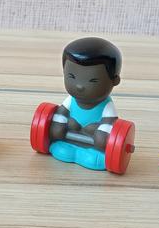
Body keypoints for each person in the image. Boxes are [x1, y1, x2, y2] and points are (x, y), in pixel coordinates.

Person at [48, 37, 122, 170]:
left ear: (114, 80)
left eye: (93, 81)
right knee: (64, 132)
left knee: (99, 138)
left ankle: (95, 154)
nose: (80, 86)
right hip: (69, 138)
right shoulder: (70, 100)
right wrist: (58, 124)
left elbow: (109, 123)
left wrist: (102, 135)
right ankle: (68, 147)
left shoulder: (106, 106)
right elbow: (61, 112)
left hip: (93, 144)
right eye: (71, 77)